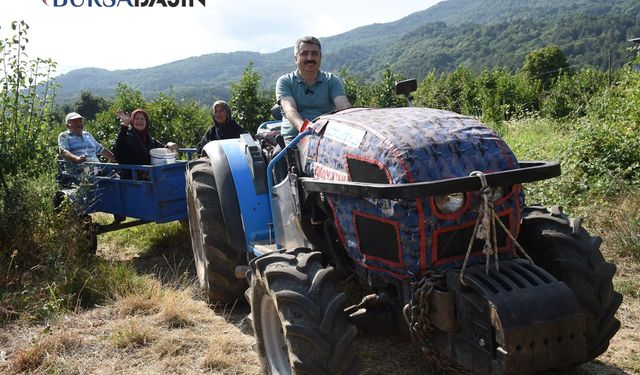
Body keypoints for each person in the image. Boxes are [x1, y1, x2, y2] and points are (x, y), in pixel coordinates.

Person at [276, 36, 351, 140]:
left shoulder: (332, 80)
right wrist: (305, 129)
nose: (310, 58)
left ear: (320, 57)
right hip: (294, 138)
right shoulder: (285, 81)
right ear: (296, 58)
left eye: (314, 53)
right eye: (304, 53)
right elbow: (290, 109)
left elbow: (343, 105)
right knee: (279, 155)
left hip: (325, 137)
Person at [112, 108, 178, 179]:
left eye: (142, 119)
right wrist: (124, 127)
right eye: (137, 118)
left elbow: (162, 149)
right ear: (132, 121)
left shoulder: (150, 139)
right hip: (131, 178)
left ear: (146, 122)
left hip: (149, 177)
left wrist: (169, 144)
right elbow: (118, 150)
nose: (139, 121)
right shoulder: (126, 136)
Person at [58, 111, 117, 181]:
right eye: (75, 122)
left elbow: (101, 149)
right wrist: (77, 159)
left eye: (80, 121)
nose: (79, 123)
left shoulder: (87, 135)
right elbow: (63, 152)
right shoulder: (64, 136)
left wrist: (116, 159)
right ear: (67, 126)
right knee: (109, 176)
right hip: (78, 170)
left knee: (119, 175)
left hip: (96, 168)